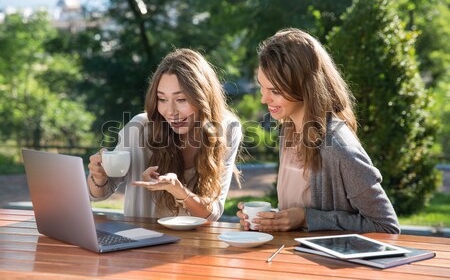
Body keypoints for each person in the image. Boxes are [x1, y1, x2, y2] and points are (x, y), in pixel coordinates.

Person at [237, 28, 400, 233]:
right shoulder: (288, 129)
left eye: (275, 91)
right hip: (293, 259)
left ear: (305, 87)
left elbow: (386, 227)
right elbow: (295, 211)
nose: (264, 99)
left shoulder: (338, 147)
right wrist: (271, 219)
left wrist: (306, 219)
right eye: (262, 87)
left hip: (327, 264)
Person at [88, 48, 242, 221]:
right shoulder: (138, 129)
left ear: (204, 98)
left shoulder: (227, 129)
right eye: (162, 99)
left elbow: (212, 213)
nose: (170, 111)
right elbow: (98, 195)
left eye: (181, 100)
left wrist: (178, 190)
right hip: (141, 239)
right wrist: (99, 177)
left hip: (196, 243)